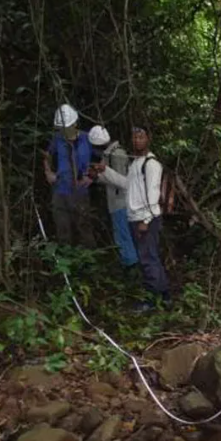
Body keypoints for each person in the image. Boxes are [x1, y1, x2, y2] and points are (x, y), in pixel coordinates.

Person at [99, 125, 170, 310]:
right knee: (150, 257)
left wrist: (145, 221)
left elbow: (153, 195)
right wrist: (105, 171)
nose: (137, 140)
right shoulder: (136, 163)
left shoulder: (151, 164)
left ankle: (151, 300)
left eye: (141, 137)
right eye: (135, 137)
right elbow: (126, 184)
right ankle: (165, 295)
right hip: (135, 217)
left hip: (146, 219)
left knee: (147, 260)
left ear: (148, 139)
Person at [43, 104, 94, 247]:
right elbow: (47, 156)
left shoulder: (87, 138)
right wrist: (48, 172)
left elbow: (105, 157)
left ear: (75, 123)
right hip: (61, 190)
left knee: (84, 228)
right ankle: (66, 257)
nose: (64, 130)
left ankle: (87, 256)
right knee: (62, 229)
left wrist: (92, 176)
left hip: (80, 191)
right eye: (61, 128)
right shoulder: (57, 139)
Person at [88, 125, 139, 270]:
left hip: (122, 202)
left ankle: (131, 266)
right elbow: (111, 180)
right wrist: (97, 176)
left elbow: (125, 183)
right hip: (117, 201)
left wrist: (105, 170)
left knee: (124, 236)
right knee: (124, 235)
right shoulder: (109, 154)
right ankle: (131, 262)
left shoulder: (117, 154)